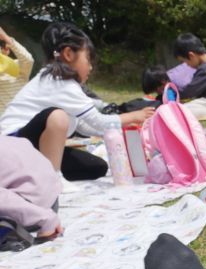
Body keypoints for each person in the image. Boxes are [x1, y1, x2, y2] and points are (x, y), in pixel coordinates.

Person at [0, 22, 153, 181]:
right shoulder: (59, 82)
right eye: (88, 59)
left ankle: (34, 177)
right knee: (57, 117)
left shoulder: (64, 84)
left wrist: (119, 128)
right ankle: (52, 180)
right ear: (68, 54)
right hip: (15, 144)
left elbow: (85, 125)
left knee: (96, 168)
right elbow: (99, 121)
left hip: (36, 149)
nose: (91, 68)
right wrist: (135, 116)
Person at [0, 135, 61, 251]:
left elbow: (4, 199)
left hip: (31, 210)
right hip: (51, 198)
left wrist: (45, 219)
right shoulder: (12, 139)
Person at [173, 33, 206, 120]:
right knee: (179, 109)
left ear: (191, 55)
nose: (187, 65)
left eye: (185, 62)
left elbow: (190, 91)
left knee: (178, 112)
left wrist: (175, 93)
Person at [0, 25, 34, 112]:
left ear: (6, 50)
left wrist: (6, 38)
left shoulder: (17, 67)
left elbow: (28, 60)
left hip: (21, 121)